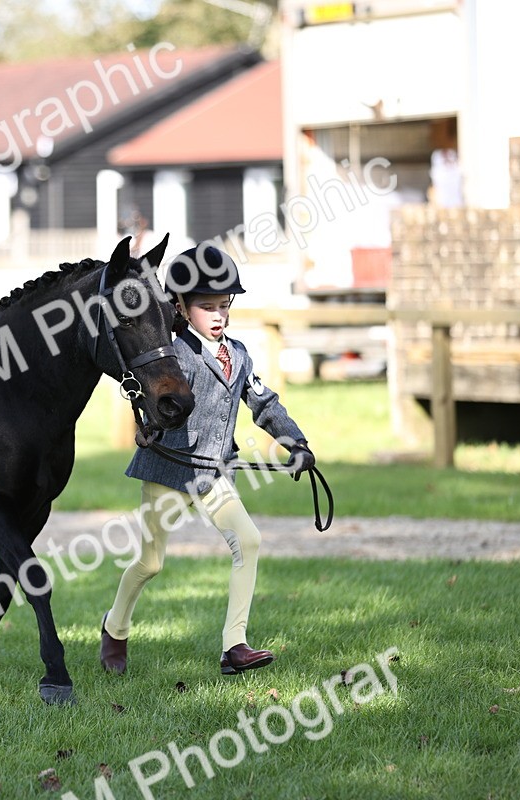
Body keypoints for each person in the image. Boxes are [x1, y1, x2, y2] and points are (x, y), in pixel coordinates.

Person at [99, 244, 316, 677]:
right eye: (206, 307)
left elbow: (264, 402)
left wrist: (296, 442)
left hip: (213, 474)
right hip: (168, 470)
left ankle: (234, 645)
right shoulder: (173, 354)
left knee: (248, 541)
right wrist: (148, 429)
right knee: (151, 562)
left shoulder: (239, 355)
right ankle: (115, 626)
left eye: (223, 306)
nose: (218, 316)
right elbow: (152, 398)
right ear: (181, 307)